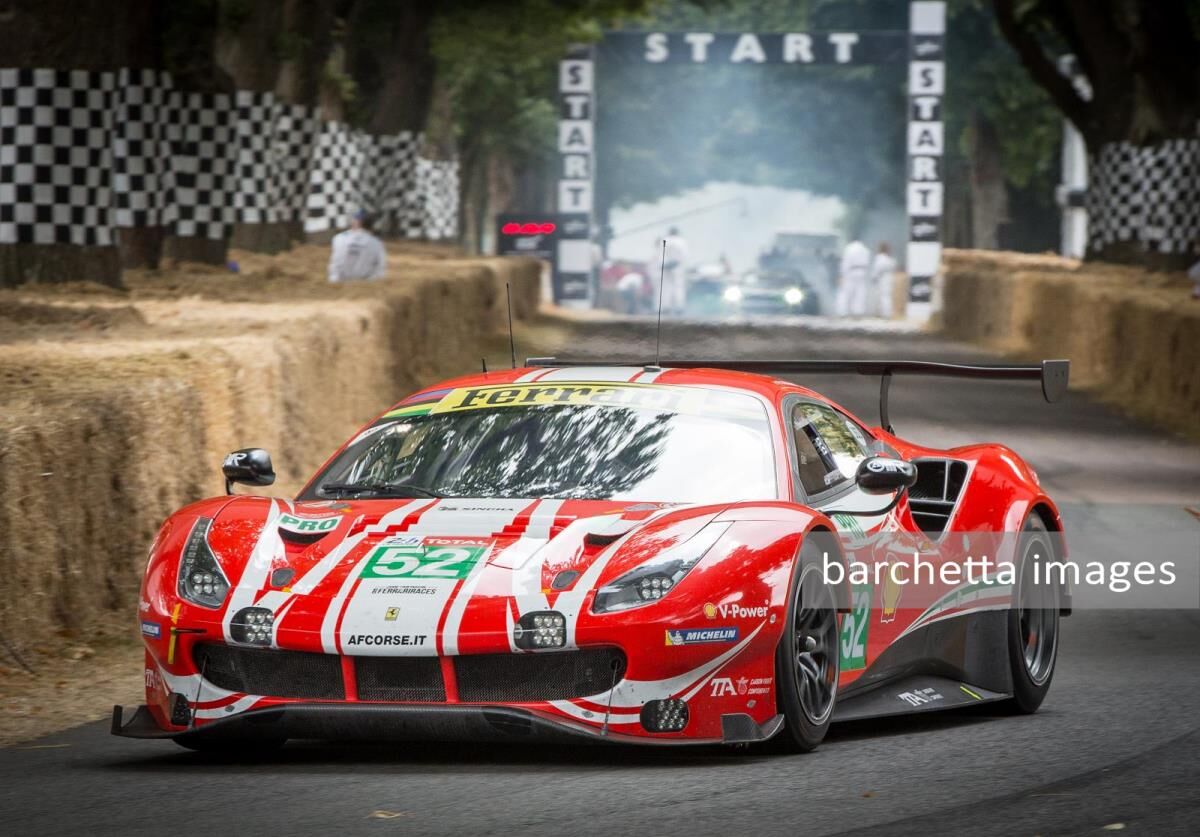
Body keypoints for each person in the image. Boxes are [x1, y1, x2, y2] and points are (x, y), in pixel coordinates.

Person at [328, 210, 387, 283]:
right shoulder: (377, 243)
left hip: (339, 284)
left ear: (355, 223)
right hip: (365, 287)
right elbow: (380, 271)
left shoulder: (338, 238)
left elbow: (335, 267)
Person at [837, 238, 871, 316]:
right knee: (860, 293)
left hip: (851, 272)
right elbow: (867, 262)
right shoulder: (865, 250)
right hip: (862, 272)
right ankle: (858, 312)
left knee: (846, 293)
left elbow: (846, 262)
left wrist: (842, 274)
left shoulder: (849, 248)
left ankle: (843, 312)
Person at [660, 226, 689, 316]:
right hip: (678, 267)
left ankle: (666, 307)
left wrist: (665, 264)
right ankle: (679, 307)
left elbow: (660, 254)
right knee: (678, 287)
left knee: (666, 287)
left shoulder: (665, 240)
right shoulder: (681, 241)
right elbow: (684, 255)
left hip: (667, 266)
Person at [870, 242, 898, 318]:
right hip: (889, 278)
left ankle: (885, 314)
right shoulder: (890, 259)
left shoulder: (880, 258)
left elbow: (877, 269)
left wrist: (873, 277)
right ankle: (884, 313)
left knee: (883, 297)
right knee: (886, 296)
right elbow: (894, 266)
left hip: (882, 278)